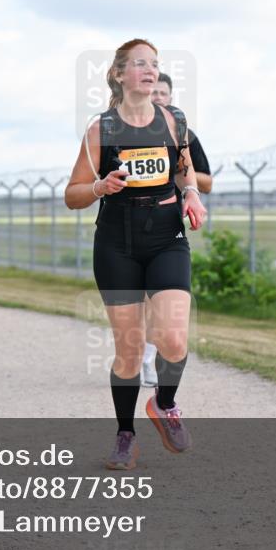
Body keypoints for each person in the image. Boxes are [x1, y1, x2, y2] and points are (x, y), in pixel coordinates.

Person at [65, 39, 207, 470]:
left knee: (174, 338)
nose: (149, 70)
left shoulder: (173, 121)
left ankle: (164, 403)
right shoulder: (100, 130)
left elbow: (183, 170)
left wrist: (193, 194)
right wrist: (98, 187)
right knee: (128, 351)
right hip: (117, 244)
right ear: (119, 74)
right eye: (140, 64)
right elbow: (72, 195)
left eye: (155, 64)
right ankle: (125, 436)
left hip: (166, 236)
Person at [139, 72, 215, 387]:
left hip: (170, 223)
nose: (157, 97)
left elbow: (207, 181)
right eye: (152, 91)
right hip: (135, 220)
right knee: (142, 297)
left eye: (163, 93)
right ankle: (141, 357)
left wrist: (182, 176)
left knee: (162, 297)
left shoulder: (185, 135)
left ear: (171, 98)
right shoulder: (130, 132)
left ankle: (152, 358)